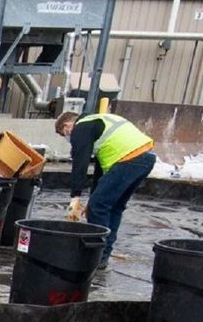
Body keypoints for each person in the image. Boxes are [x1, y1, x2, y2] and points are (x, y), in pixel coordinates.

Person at [56, 111, 155, 265]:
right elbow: (100, 173)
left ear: (67, 125)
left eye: (65, 134)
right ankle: (103, 256)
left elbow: (80, 163)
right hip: (145, 158)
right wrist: (93, 196)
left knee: (97, 207)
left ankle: (95, 255)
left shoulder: (81, 127)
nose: (69, 138)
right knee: (113, 207)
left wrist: (75, 196)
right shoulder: (97, 122)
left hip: (128, 159)